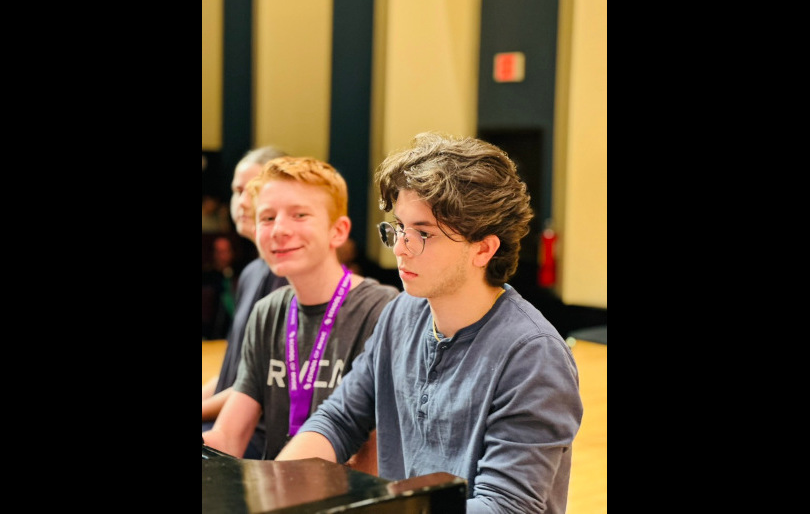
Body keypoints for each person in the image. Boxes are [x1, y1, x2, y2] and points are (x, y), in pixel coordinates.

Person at [275, 132, 583, 513]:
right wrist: (276, 490)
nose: (401, 247)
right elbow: (339, 420)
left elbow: (505, 506)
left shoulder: (533, 356)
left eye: (423, 234)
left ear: (484, 249)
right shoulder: (400, 314)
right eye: (399, 228)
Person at [202, 156, 400, 464]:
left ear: (338, 231)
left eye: (299, 215)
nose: (279, 229)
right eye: (267, 218)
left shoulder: (381, 308)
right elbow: (228, 437)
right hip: (274, 491)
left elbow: (373, 455)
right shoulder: (268, 312)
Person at [202, 145, 291, 458]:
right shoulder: (252, 271)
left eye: (249, 191)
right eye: (235, 191)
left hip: (255, 437)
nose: (239, 202)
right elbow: (232, 373)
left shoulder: (287, 278)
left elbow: (258, 389)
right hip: (222, 421)